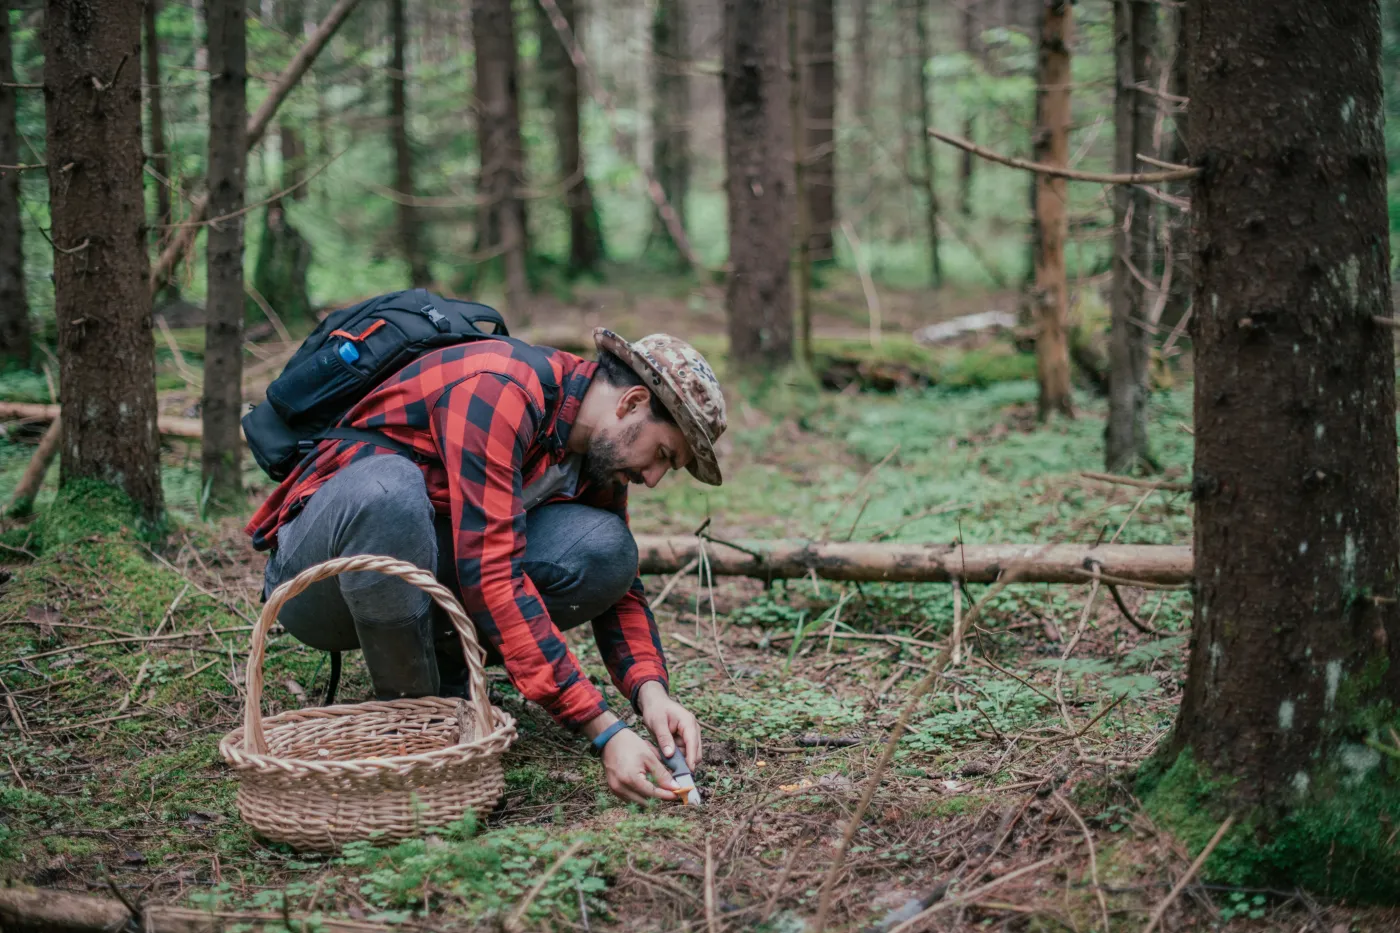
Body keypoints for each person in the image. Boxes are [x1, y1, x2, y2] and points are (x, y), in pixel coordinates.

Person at [245, 327, 727, 804]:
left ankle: (451, 679)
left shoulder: (594, 452)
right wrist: (604, 729)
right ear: (631, 403)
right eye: (662, 454)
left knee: (606, 548)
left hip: (427, 576)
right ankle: (415, 719)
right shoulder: (499, 388)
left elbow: (620, 589)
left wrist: (650, 693)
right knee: (390, 493)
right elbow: (494, 576)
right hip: (316, 583)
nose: (653, 478)